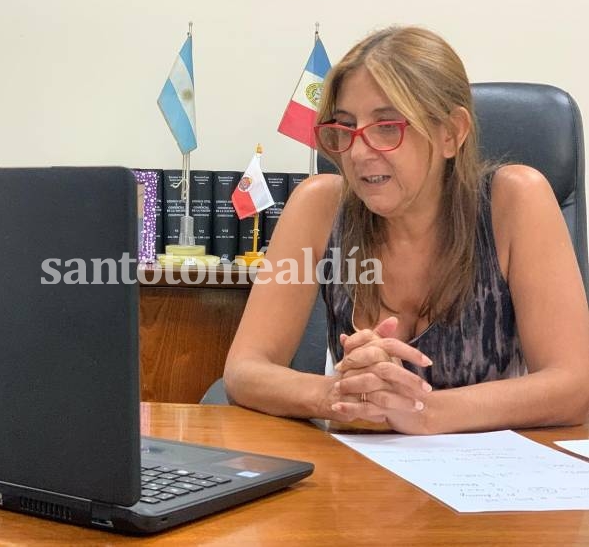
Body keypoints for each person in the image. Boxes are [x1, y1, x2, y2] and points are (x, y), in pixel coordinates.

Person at [223, 26, 589, 435]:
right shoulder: (319, 205)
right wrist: (339, 395)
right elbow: (244, 370)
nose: (359, 153)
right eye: (346, 129)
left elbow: (573, 386)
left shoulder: (516, 200)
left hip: (488, 483)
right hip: (358, 479)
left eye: (387, 126)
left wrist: (420, 410)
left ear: (451, 133)